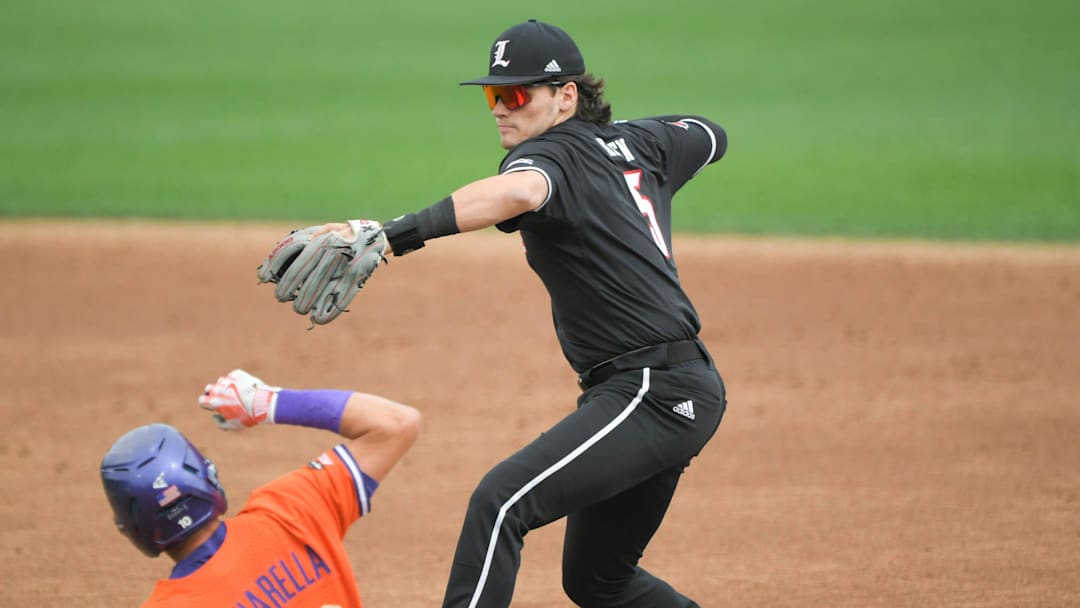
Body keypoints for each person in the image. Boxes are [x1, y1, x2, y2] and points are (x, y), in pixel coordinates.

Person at [303, 19, 727, 607]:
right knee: (598, 579)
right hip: (664, 388)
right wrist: (624, 140)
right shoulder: (641, 145)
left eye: (518, 94)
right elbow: (711, 134)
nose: (501, 108)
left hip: (651, 392)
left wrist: (391, 235)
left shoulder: (545, 157)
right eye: (492, 94)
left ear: (566, 96)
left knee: (500, 503)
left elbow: (522, 194)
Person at [99, 369, 421, 607]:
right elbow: (397, 424)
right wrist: (267, 403)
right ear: (207, 476)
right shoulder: (293, 508)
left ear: (132, 528)